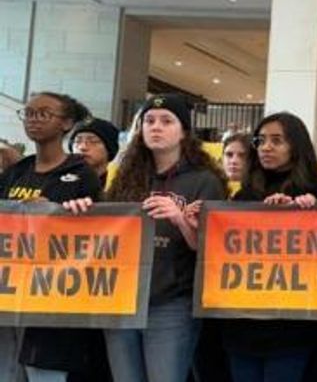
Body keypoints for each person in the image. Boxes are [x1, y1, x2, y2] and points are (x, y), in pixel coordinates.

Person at [65, 93, 228, 382]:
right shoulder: (126, 175)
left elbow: (210, 251)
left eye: (167, 121)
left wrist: (179, 219)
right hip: (123, 296)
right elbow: (107, 232)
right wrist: (83, 210)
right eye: (149, 121)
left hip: (172, 302)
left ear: (184, 132)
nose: (156, 127)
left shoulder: (204, 180)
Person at [213, 112, 317, 382]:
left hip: (291, 326)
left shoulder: (313, 194)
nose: (266, 147)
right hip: (241, 322)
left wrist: (305, 212)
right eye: (261, 140)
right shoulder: (244, 194)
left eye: (277, 141)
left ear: (295, 146)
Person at [3, 92, 105, 382]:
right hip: (10, 293)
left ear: (66, 123)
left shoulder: (81, 174)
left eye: (44, 114)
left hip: (52, 296)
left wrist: (54, 213)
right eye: (30, 113)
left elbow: (94, 234)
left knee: (44, 373)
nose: (34, 120)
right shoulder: (16, 172)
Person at [70, 116, 120, 185]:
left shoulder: (121, 184)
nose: (82, 147)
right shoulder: (60, 182)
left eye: (93, 141)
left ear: (109, 149)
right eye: (77, 141)